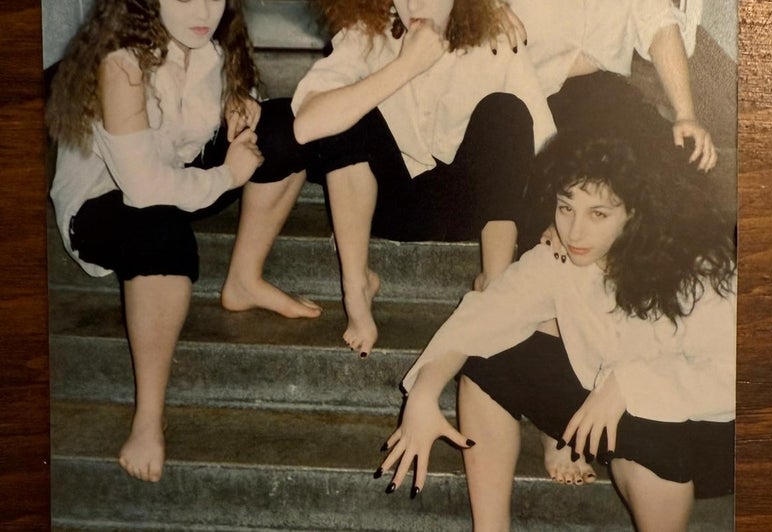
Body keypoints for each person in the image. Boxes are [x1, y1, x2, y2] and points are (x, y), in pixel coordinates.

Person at [376, 131, 736, 532]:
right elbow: (482, 318)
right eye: (566, 208)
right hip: (604, 409)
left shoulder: (696, 266)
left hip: (706, 433)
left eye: (597, 214)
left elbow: (735, 376)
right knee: (487, 360)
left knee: (650, 434)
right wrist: (425, 392)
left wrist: (627, 387)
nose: (575, 232)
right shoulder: (560, 254)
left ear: (634, 212)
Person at [47, 0, 321, 482]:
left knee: (290, 127)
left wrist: (241, 105)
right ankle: (149, 417)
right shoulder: (122, 63)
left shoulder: (211, 42)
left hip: (179, 176)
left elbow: (220, 107)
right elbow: (145, 189)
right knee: (161, 228)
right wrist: (229, 177)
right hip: (104, 206)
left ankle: (244, 280)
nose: (203, 9)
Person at [291, 0, 556, 357]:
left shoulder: (495, 35)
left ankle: (495, 287)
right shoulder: (365, 34)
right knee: (344, 114)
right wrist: (407, 65)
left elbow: (542, 145)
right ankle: (356, 288)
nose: (415, 3)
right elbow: (306, 126)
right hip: (388, 204)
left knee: (506, 112)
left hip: (469, 207)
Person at [494, 0, 720, 252]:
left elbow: (660, 23)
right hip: (525, 90)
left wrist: (686, 114)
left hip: (599, 91)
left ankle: (650, 278)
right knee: (560, 186)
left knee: (675, 164)